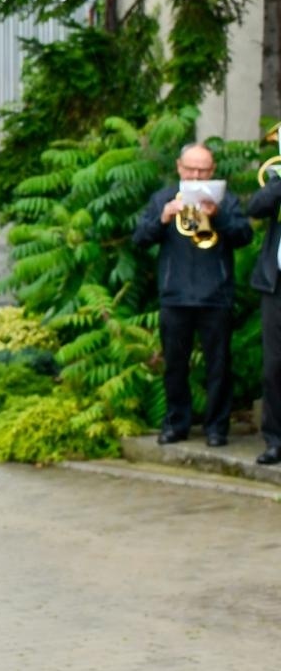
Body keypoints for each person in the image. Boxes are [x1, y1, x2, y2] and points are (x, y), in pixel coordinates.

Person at [133, 142, 253, 447]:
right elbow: (140, 239)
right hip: (175, 296)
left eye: (204, 170)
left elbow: (244, 236)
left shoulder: (226, 202)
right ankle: (176, 424)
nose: (197, 176)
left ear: (213, 171)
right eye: (191, 170)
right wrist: (162, 218)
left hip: (216, 296)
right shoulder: (163, 198)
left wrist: (218, 216)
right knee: (175, 365)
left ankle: (216, 428)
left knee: (218, 367)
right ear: (179, 168)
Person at [246, 144, 281, 465]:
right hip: (277, 285)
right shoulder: (277, 176)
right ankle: (275, 440)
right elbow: (255, 208)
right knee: (274, 365)